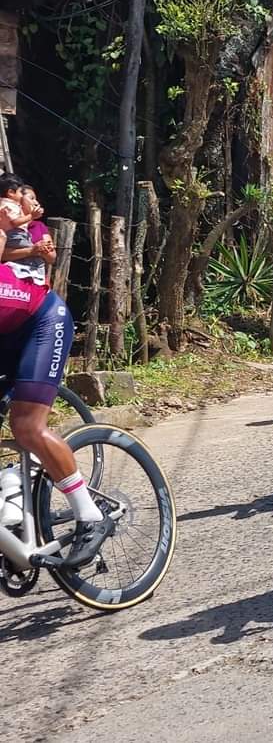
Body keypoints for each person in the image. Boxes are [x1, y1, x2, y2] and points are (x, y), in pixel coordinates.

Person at [0, 198, 109, 567]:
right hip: (6, 333)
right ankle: (15, 488)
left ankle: (90, 515)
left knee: (27, 425)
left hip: (42, 323)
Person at [0, 177, 54, 287]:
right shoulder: (5, 217)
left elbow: (52, 257)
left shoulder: (39, 226)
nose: (36, 202)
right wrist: (31, 250)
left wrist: (44, 249)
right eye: (31, 198)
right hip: (9, 282)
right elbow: (3, 254)